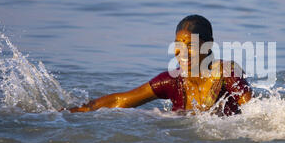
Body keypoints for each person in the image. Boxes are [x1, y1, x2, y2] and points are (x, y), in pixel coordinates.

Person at [67, 15, 252, 115]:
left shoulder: (227, 73)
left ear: (208, 45)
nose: (182, 52)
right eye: (178, 45)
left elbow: (255, 111)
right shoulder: (171, 81)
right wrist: (81, 110)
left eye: (190, 45)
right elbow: (120, 100)